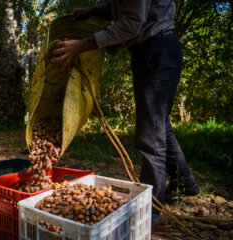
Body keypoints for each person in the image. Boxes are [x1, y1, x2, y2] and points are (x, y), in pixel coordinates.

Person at [51, 0, 200, 223]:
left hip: (156, 49)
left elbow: (131, 23)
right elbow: (121, 7)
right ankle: (186, 183)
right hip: (154, 50)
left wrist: (82, 45)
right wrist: (92, 12)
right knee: (159, 124)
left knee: (150, 136)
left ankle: (152, 210)